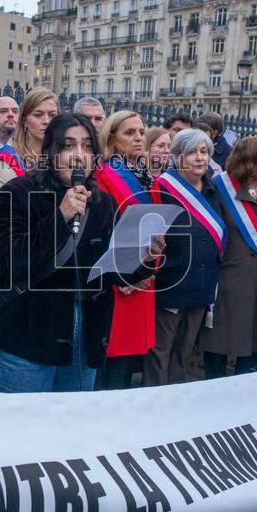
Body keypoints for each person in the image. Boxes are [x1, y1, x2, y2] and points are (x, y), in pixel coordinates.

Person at [0, 113, 162, 392]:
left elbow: (112, 270)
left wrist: (145, 258)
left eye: (87, 147)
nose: (78, 155)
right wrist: (61, 216)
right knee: (19, 428)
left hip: (86, 336)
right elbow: (11, 264)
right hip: (31, 334)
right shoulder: (18, 192)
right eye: (68, 146)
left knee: (71, 429)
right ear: (50, 151)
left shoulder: (102, 201)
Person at [146, 129, 226, 386]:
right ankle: (154, 400)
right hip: (172, 278)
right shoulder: (163, 186)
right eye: (192, 152)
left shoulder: (213, 189)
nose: (199, 158)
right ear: (177, 156)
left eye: (204, 152)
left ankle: (175, 400)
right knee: (161, 349)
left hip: (202, 280)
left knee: (184, 348)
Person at [199, 136, 257, 378]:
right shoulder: (218, 186)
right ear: (249, 161)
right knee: (218, 342)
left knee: (254, 343)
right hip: (227, 278)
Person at [95, 110, 157, 388]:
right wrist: (127, 273)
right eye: (129, 133)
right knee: (110, 360)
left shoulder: (147, 175)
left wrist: (149, 267)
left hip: (144, 273)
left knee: (129, 361)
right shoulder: (103, 173)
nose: (138, 138)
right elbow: (102, 228)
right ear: (112, 137)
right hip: (119, 278)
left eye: (141, 132)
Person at [0, 87, 59, 192]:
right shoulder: (7, 162)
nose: (47, 121)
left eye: (52, 115)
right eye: (38, 115)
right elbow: (7, 206)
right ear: (24, 120)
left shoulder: (65, 153)